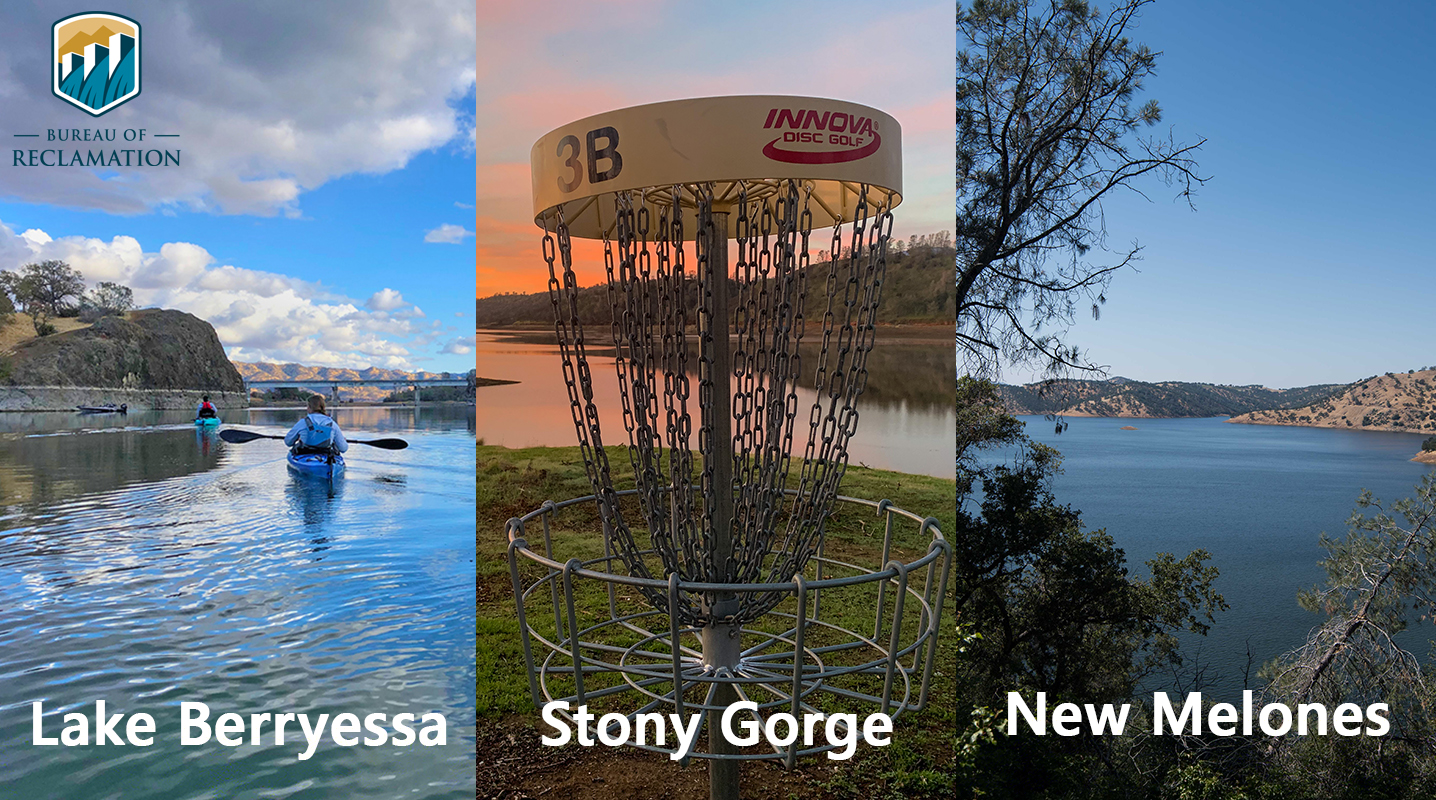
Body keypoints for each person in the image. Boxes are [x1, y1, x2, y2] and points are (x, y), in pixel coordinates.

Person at [284, 395, 348, 455]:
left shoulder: (302, 422)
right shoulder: (332, 424)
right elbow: (343, 449)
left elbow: (288, 442)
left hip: (305, 454)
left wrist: (299, 438)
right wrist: (343, 441)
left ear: (309, 407)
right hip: (326, 456)